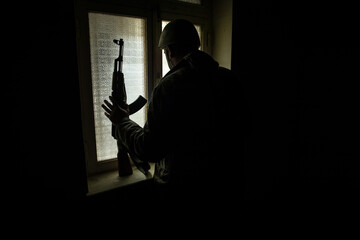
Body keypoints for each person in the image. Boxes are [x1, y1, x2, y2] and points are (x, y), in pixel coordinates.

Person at [102, 19, 250, 205]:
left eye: (165, 52)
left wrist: (122, 122)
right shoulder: (230, 79)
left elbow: (150, 149)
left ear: (169, 51)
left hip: (181, 194)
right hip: (225, 187)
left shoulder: (168, 87)